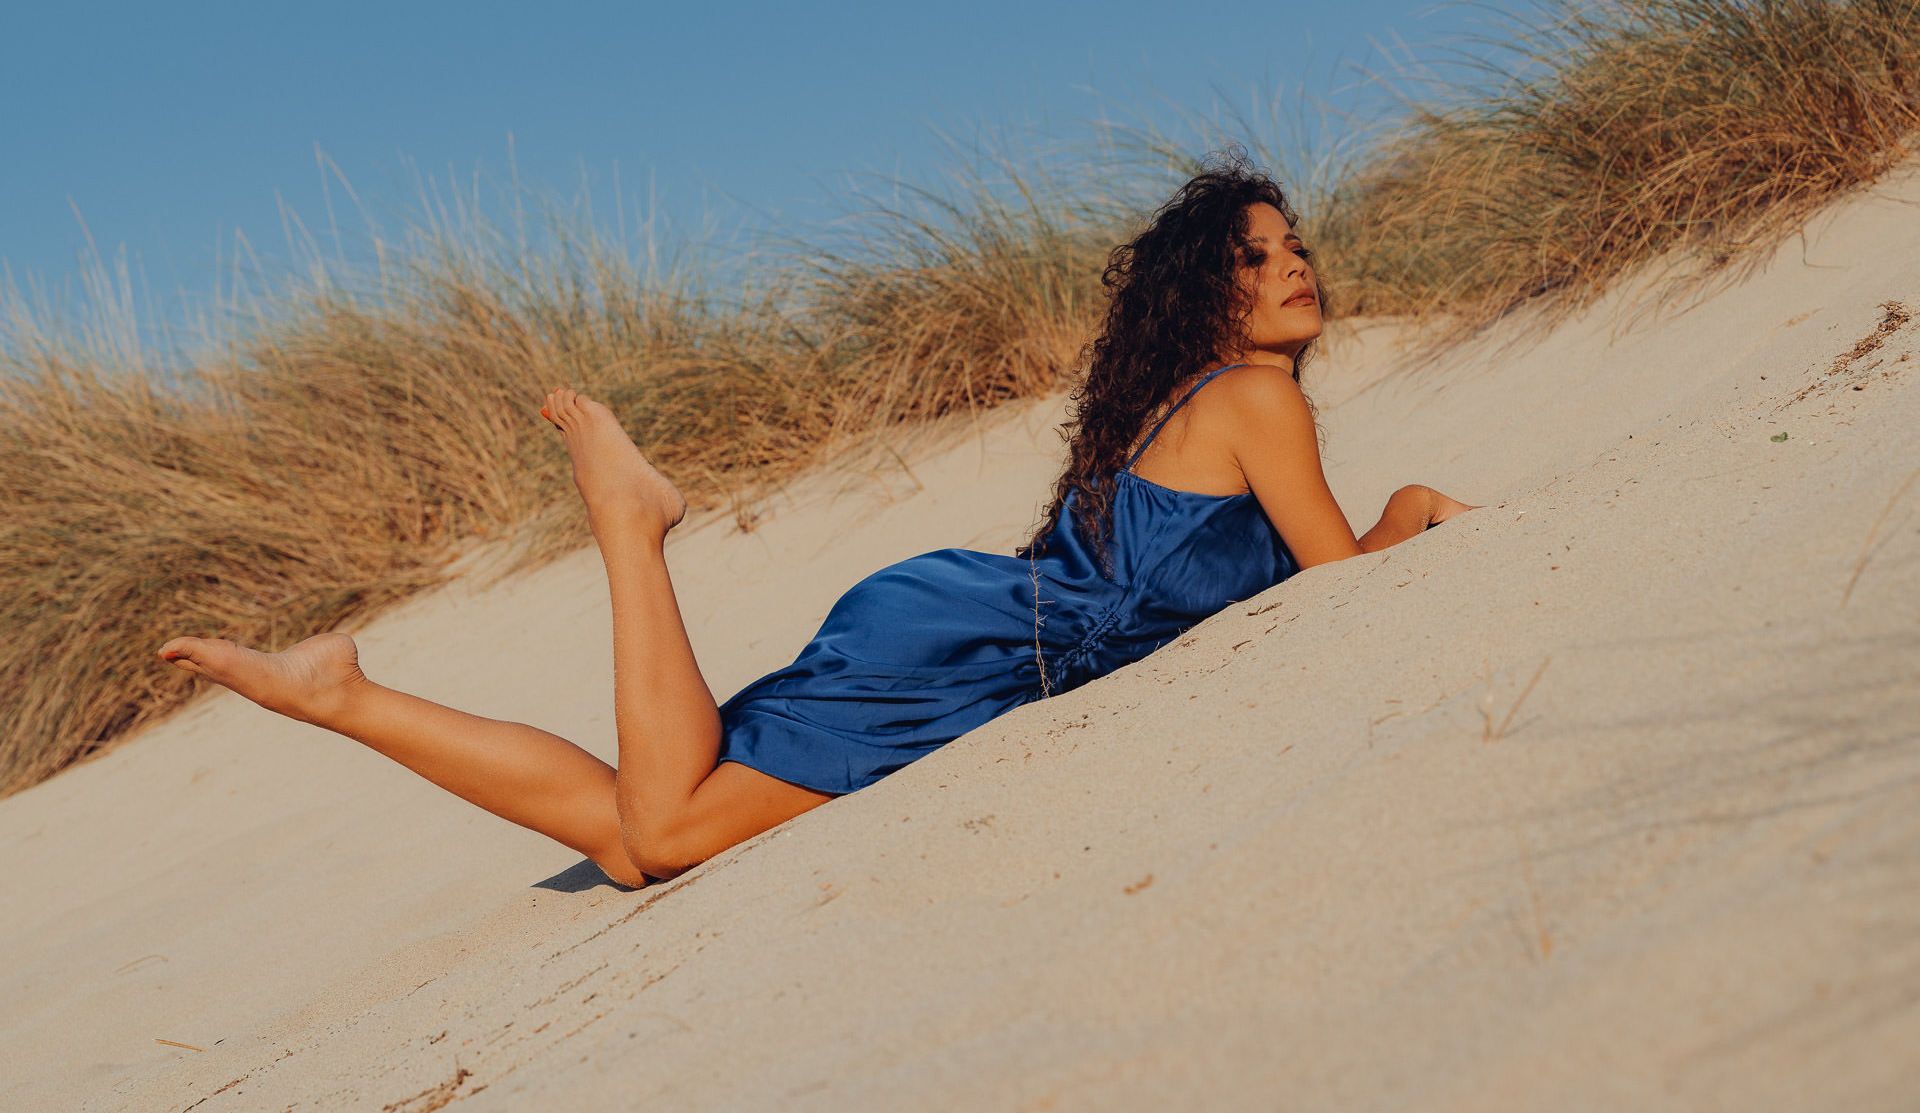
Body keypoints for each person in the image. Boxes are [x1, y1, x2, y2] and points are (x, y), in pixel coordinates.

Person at [158, 158, 1474, 887]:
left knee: (633, 833)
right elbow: (1334, 589)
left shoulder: (1196, 400)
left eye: (1292, 241)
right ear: (1207, 295)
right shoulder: (1256, 396)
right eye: (1252, 253)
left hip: (966, 625)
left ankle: (348, 698)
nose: (1290, 261)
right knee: (669, 830)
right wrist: (1417, 513)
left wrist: (1404, 514)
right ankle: (631, 526)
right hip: (981, 657)